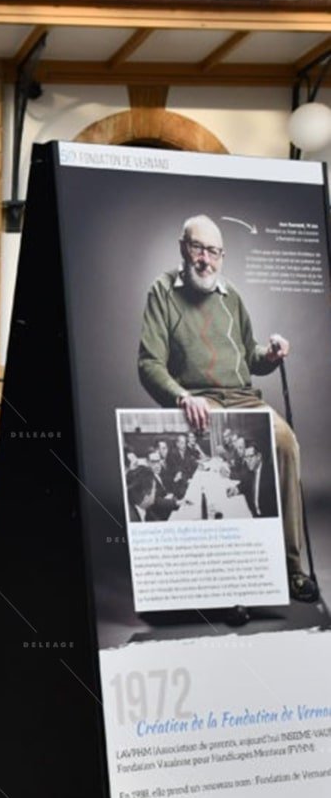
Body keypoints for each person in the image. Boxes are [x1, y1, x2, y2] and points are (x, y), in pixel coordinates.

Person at [138, 213, 317, 602]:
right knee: (214, 478)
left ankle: (290, 568)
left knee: (286, 444)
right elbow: (149, 363)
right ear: (183, 248)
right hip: (196, 400)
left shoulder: (230, 295)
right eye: (198, 248)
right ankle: (228, 581)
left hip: (242, 397)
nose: (206, 259)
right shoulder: (162, 291)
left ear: (222, 256)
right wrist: (182, 397)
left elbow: (250, 357)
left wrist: (270, 355)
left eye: (214, 251)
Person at [241, 439, 278, 519]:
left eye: (250, 457)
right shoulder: (251, 472)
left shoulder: (271, 475)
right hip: (254, 515)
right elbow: (245, 484)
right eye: (246, 458)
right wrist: (236, 489)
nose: (248, 461)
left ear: (259, 456)